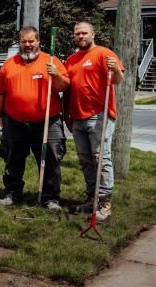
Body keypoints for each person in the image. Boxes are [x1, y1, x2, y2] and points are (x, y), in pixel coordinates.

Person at [0, 25, 69, 211]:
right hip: (14, 122)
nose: (27, 45)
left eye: (31, 41)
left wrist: (56, 75)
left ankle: (50, 198)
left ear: (38, 42)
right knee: (13, 159)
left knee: (50, 159)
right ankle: (12, 193)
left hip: (46, 122)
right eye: (23, 41)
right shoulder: (10, 63)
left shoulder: (51, 61)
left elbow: (64, 86)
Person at [64, 21, 125, 222]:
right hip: (78, 117)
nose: (80, 36)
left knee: (101, 158)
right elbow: (68, 90)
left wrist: (115, 68)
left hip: (99, 115)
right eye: (77, 34)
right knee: (85, 159)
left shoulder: (103, 53)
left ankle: (105, 202)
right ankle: (92, 197)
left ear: (93, 34)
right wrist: (68, 116)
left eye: (84, 33)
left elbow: (118, 80)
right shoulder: (71, 60)